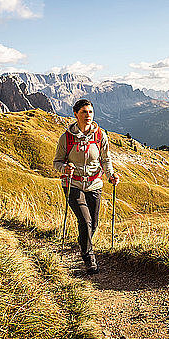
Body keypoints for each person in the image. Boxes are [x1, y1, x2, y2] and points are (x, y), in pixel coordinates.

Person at [53, 99, 119, 274]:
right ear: (75, 114)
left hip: (95, 183)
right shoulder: (66, 138)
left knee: (93, 223)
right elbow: (57, 162)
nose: (88, 115)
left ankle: (83, 241)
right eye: (84, 112)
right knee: (85, 220)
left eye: (90, 112)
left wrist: (111, 174)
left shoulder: (100, 136)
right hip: (72, 184)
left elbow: (105, 159)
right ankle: (89, 259)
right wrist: (64, 168)